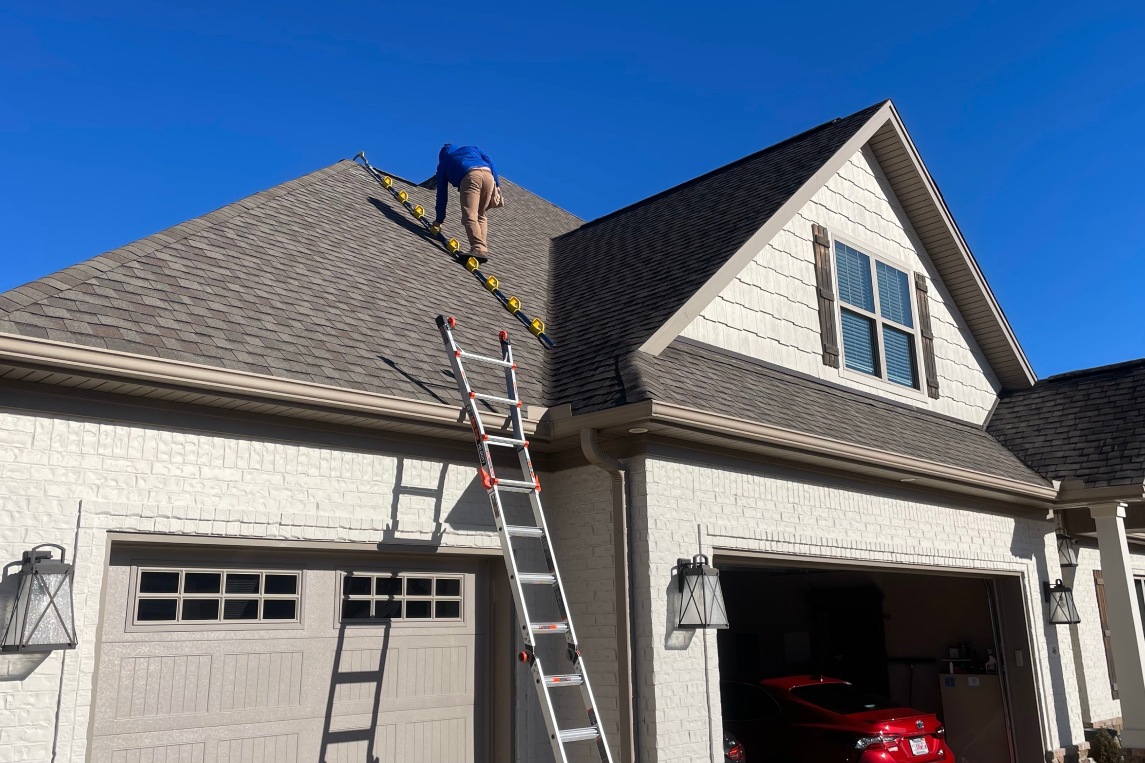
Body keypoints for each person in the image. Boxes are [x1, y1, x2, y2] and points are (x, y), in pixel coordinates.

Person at [432, 144, 501, 263]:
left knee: (470, 215)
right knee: (481, 215)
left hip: (470, 176)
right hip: (488, 175)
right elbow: (489, 160)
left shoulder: (444, 163)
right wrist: (497, 184)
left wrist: (439, 220)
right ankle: (482, 249)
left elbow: (442, 195)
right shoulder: (471, 149)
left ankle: (478, 248)